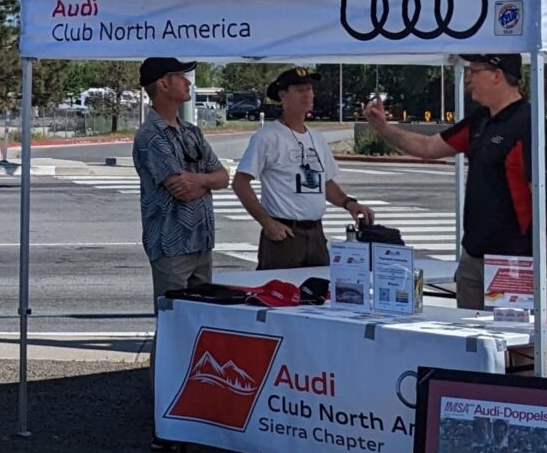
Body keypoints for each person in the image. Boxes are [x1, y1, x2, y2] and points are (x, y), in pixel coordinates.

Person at [360, 53, 547, 309]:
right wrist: (383, 128)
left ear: (498, 76)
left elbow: (545, 199)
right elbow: (429, 147)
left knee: (513, 343)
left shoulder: (530, 125)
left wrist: (542, 262)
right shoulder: (481, 120)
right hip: (473, 255)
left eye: (475, 72)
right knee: (470, 341)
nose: (468, 80)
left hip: (513, 260)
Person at [234, 66, 374, 268]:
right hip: (284, 234)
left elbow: (324, 182)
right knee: (280, 292)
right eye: (300, 90)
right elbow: (240, 183)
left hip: (316, 234)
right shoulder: (268, 136)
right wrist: (267, 223)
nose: (307, 95)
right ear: (283, 96)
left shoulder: (316, 137)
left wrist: (349, 203)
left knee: (320, 293)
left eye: (309, 89)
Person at [131, 56, 229, 302]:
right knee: (173, 325)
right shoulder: (150, 136)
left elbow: (223, 177)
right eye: (181, 77)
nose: (188, 82)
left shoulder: (191, 131)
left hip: (201, 243)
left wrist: (200, 181)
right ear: (163, 84)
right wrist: (207, 181)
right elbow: (182, 190)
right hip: (171, 246)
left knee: (200, 324)